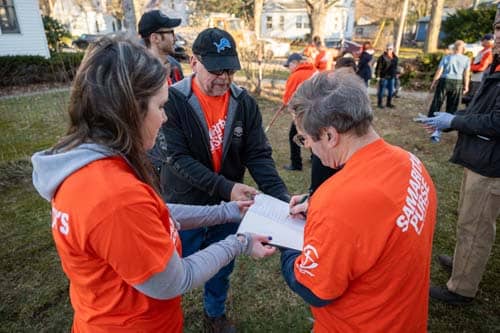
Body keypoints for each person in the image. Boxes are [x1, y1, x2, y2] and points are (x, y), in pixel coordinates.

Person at [30, 35, 276, 332]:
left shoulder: (94, 169)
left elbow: (155, 212)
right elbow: (175, 280)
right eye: (160, 107)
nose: (163, 120)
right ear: (132, 109)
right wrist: (241, 242)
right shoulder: (115, 196)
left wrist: (227, 212)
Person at [281, 69, 437, 332]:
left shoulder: (338, 202)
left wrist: (285, 243)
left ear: (329, 135)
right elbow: (377, 224)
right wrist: (319, 208)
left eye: (305, 139)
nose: (307, 147)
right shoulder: (410, 163)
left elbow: (315, 288)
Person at [158, 28, 289, 332]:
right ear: (194, 61)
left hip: (228, 206)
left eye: (230, 69)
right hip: (184, 203)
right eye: (216, 69)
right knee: (172, 267)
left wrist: (280, 196)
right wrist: (227, 188)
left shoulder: (243, 103)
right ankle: (165, 315)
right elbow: (176, 159)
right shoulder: (173, 100)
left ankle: (213, 314)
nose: (224, 78)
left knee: (221, 265)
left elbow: (258, 154)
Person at [421, 6, 500, 305]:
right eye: (497, 28)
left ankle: (462, 289)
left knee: (476, 224)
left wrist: (453, 121)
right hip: (480, 157)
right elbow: (481, 112)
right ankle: (463, 262)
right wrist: (451, 117)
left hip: (492, 164)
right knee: (468, 219)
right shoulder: (496, 64)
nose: (498, 36)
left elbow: (496, 122)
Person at [427, 40, 470, 142]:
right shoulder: (466, 59)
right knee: (453, 105)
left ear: (454, 48)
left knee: (437, 101)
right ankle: (448, 124)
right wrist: (466, 86)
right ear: (463, 49)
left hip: (444, 80)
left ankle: (431, 122)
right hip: (457, 82)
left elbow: (439, 71)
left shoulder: (447, 57)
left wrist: (434, 82)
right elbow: (466, 74)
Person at [282, 53, 317, 171]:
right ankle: (315, 157)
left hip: (303, 112)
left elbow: (288, 99)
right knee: (315, 134)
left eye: (289, 66)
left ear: (295, 63)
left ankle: (296, 164)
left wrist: (288, 105)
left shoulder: (295, 76)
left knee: (294, 135)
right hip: (318, 110)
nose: (289, 69)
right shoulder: (315, 72)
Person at [138, 9, 184, 84]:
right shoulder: (139, 74)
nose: (175, 38)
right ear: (155, 38)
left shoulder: (175, 66)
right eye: (171, 33)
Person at [464, 33, 494, 105]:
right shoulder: (483, 51)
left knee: (475, 100)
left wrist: (469, 67)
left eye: (483, 40)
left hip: (480, 79)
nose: (481, 41)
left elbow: (482, 67)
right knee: (470, 99)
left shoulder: (489, 52)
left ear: (488, 41)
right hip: (476, 78)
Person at [375, 43, 399, 108]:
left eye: (390, 49)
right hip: (383, 76)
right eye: (387, 49)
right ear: (386, 49)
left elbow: (395, 67)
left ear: (393, 49)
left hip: (392, 77)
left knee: (391, 91)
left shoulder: (395, 58)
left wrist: (396, 74)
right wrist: (377, 76)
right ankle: (379, 104)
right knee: (382, 91)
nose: (389, 50)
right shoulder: (382, 57)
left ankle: (389, 103)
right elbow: (378, 67)